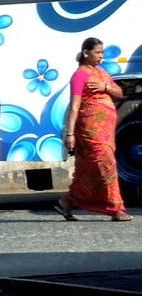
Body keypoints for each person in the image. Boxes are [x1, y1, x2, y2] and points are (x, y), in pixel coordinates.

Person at [56, 36, 130, 221]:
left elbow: (120, 93)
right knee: (105, 164)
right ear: (86, 53)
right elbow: (74, 106)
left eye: (102, 52)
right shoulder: (80, 75)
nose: (101, 56)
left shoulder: (101, 73)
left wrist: (105, 87)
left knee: (87, 167)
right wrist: (70, 133)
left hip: (105, 130)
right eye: (97, 52)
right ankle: (115, 208)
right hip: (90, 129)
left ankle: (67, 201)